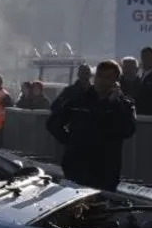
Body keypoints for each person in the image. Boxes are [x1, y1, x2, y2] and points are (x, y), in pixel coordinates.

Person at [46, 59, 137, 191]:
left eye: (107, 77)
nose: (101, 81)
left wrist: (114, 105)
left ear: (116, 81)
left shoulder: (125, 105)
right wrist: (71, 143)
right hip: (77, 166)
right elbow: (53, 123)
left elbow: (128, 130)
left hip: (105, 170)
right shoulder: (78, 100)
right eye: (99, 76)